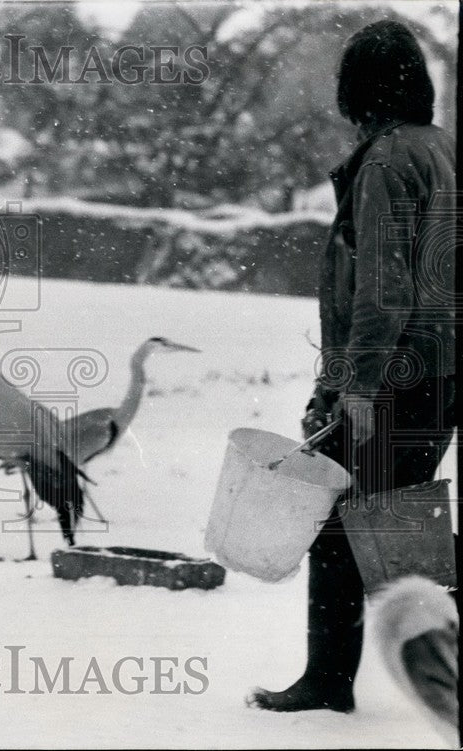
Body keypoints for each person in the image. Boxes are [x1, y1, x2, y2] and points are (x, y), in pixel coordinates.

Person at [247, 20, 456, 713]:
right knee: (386, 520)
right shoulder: (443, 150)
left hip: (396, 373)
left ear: (356, 89)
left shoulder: (389, 160)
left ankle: (328, 679)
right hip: (439, 370)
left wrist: (358, 385)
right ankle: (332, 676)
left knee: (347, 526)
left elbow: (382, 288)